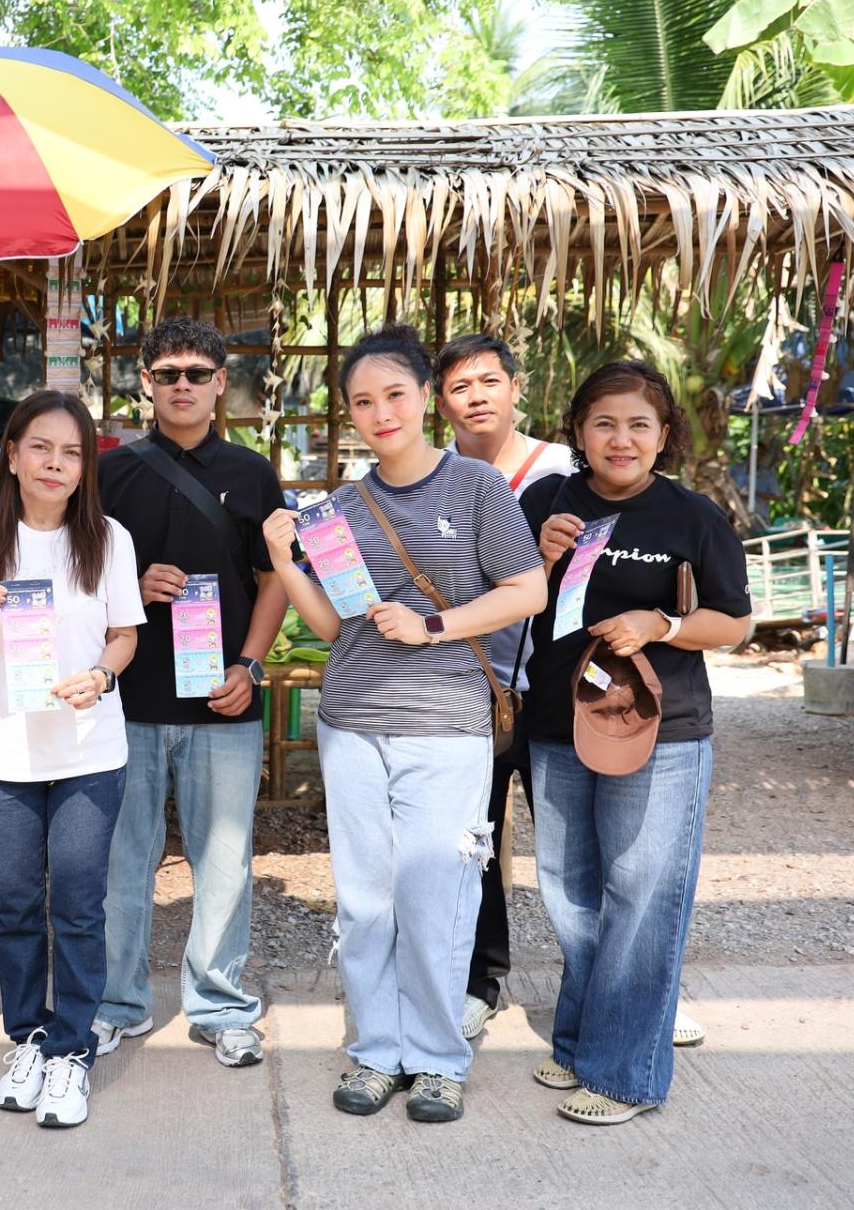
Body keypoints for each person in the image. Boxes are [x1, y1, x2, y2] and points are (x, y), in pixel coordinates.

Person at [262, 325, 545, 1125]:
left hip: (447, 724)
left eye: (394, 394)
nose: (380, 413)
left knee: (437, 895)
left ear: (425, 395)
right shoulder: (340, 509)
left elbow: (527, 591)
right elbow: (332, 625)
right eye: (362, 402)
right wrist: (283, 560)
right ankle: (375, 1050)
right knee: (364, 901)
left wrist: (433, 626)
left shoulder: (478, 486)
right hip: (352, 721)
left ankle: (438, 1059)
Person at [521, 359, 751, 1126]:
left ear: (663, 435)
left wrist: (663, 623)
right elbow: (502, 598)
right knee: (570, 893)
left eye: (638, 425)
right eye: (605, 424)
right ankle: (581, 1043)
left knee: (641, 896)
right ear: (578, 432)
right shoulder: (545, 502)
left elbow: (735, 622)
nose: (621, 439)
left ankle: (625, 1074)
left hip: (659, 730)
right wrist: (539, 557)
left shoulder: (693, 517)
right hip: (557, 723)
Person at [0, 390, 144, 1128]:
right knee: (19, 906)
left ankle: (72, 1050)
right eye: (42, 448)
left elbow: (125, 635)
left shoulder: (108, 539)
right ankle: (27, 1037)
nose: (56, 464)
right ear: (13, 455)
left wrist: (102, 675)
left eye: (72, 452)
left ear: (85, 466)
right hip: (3, 752)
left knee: (78, 906)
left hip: (90, 748)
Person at [93, 317, 287, 1068]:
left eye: (197, 374)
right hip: (126, 702)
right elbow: (80, 578)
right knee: (121, 861)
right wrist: (129, 584)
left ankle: (221, 1005)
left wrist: (250, 666)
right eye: (168, 373)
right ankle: (117, 1002)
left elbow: (274, 581)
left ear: (220, 383)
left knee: (226, 861)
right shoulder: (108, 473)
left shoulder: (253, 472)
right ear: (145, 381)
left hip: (222, 699)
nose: (183, 386)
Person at [433, 333, 575, 1040]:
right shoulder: (432, 476)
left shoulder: (567, 469)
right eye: (460, 386)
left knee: (575, 846)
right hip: (468, 689)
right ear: (440, 403)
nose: (477, 397)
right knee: (473, 842)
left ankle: (618, 987)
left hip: (560, 691)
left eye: (490, 381)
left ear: (517, 388)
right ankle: (479, 980)